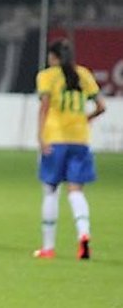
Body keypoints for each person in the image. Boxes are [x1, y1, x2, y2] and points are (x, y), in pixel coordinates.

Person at [33, 39, 105, 260]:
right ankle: (83, 234)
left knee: (51, 190)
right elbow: (101, 106)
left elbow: (45, 107)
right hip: (80, 139)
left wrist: (40, 136)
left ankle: (48, 247)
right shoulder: (83, 74)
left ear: (53, 57)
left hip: (55, 139)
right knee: (76, 192)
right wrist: (86, 118)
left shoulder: (47, 76)